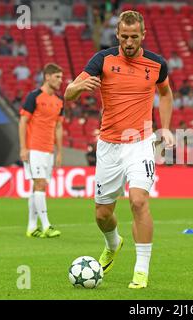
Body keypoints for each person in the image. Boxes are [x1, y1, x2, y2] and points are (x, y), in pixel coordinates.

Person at [64, 10, 174, 289]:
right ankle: (113, 243)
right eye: (124, 36)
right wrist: (79, 87)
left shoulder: (157, 64)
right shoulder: (102, 60)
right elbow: (68, 94)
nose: (128, 42)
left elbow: (166, 93)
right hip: (109, 145)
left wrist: (166, 127)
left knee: (138, 200)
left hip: (140, 143)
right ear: (117, 35)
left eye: (134, 37)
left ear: (143, 35)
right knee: (102, 214)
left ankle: (141, 270)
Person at [19, 63, 64, 239]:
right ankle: (46, 225)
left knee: (37, 186)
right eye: (57, 77)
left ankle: (31, 227)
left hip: (48, 150)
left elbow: (59, 127)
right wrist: (23, 147)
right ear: (47, 77)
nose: (60, 81)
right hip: (34, 148)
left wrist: (59, 151)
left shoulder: (60, 101)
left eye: (61, 77)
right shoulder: (34, 97)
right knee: (40, 184)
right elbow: (23, 121)